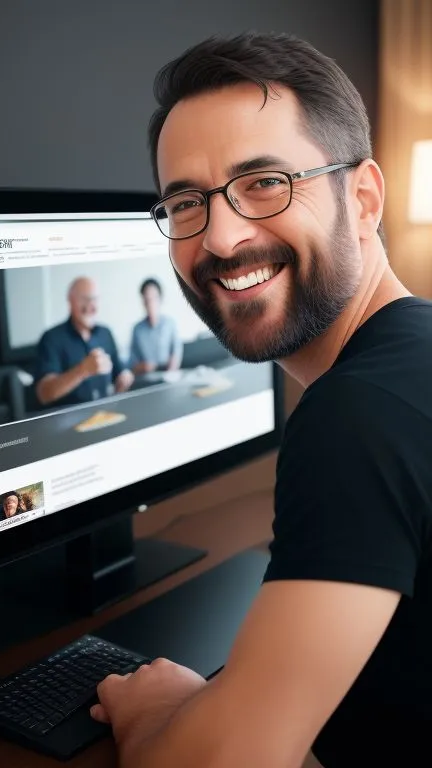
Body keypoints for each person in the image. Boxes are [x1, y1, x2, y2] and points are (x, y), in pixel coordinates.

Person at [89, 32, 432, 768]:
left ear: (364, 196)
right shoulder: (415, 356)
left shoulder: (357, 416)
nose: (219, 237)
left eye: (265, 182)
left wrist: (156, 712)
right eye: (186, 201)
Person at [35, 276, 133, 407]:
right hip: (66, 421)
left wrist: (125, 377)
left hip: (105, 414)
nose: (90, 306)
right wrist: (83, 370)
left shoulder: (106, 333)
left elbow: (119, 372)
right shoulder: (51, 338)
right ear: (70, 300)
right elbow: (44, 394)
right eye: (85, 299)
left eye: (95, 299)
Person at [129, 278, 182, 373]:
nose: (150, 303)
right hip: (145, 377)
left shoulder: (170, 324)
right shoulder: (137, 329)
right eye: (147, 299)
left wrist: (171, 370)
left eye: (153, 298)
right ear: (143, 301)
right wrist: (143, 367)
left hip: (168, 375)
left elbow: (176, 353)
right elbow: (132, 364)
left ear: (160, 299)